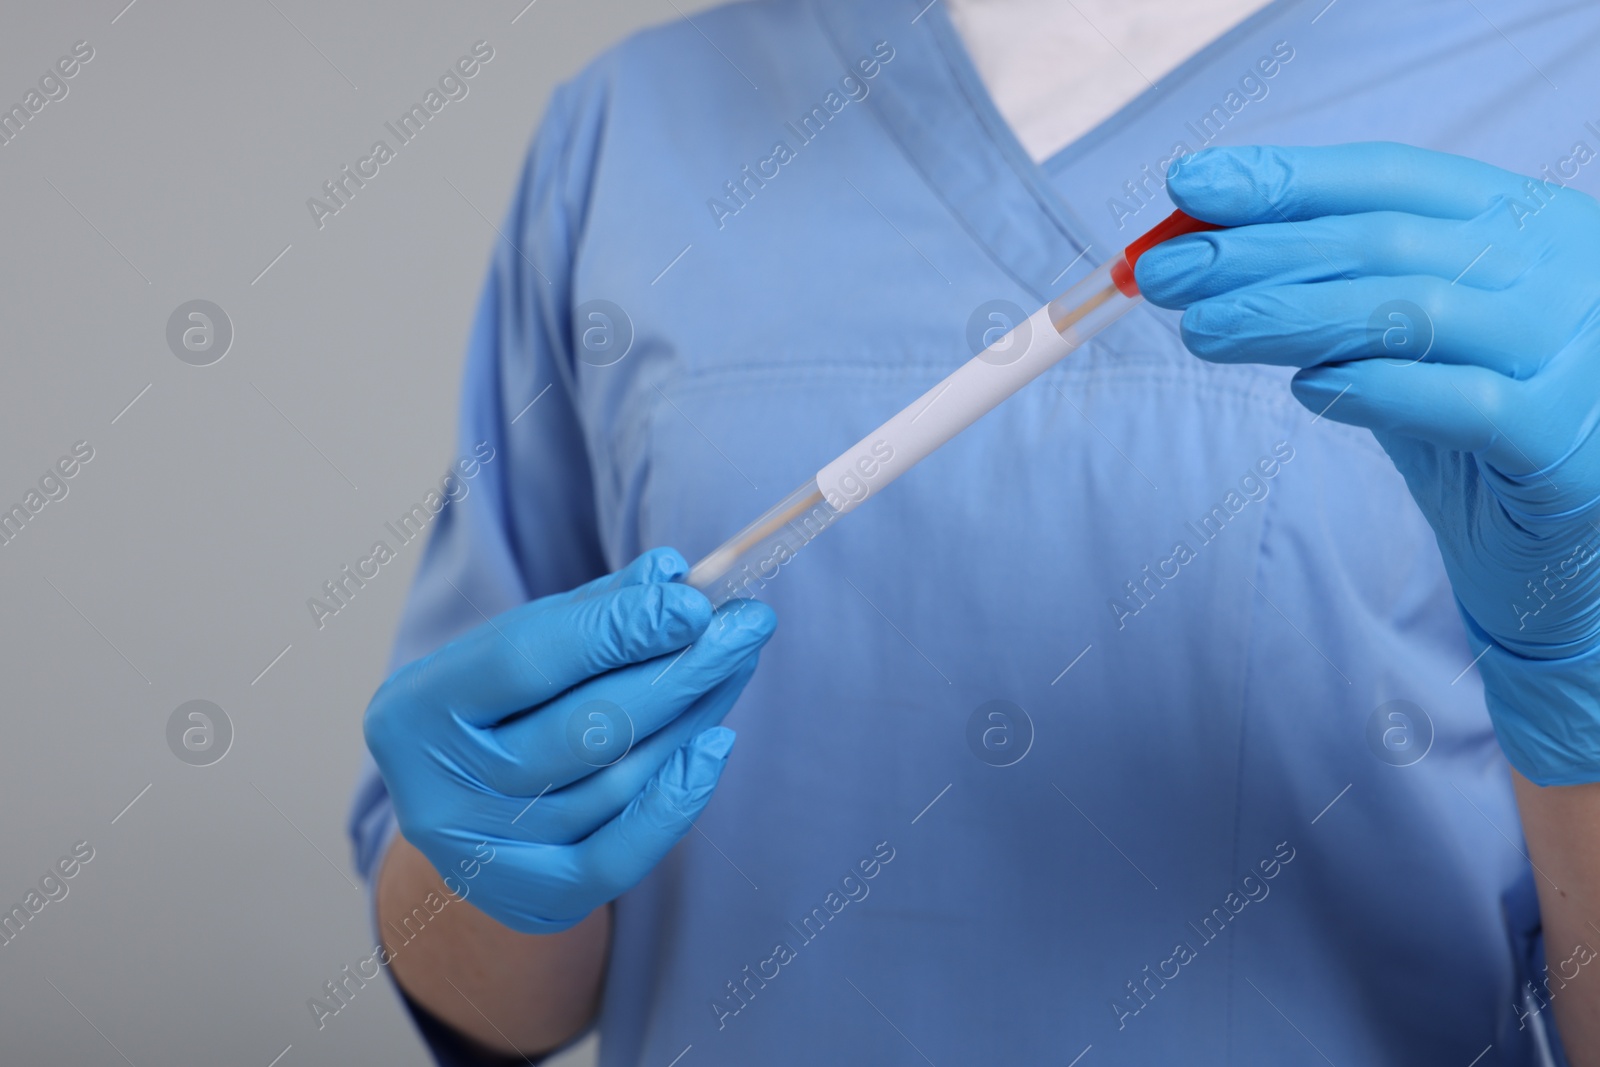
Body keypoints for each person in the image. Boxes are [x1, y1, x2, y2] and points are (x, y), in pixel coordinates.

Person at [348, 0, 1600, 1062]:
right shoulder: (635, 122)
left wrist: (1579, 666)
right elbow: (487, 993)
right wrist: (485, 858)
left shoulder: (1562, 84)